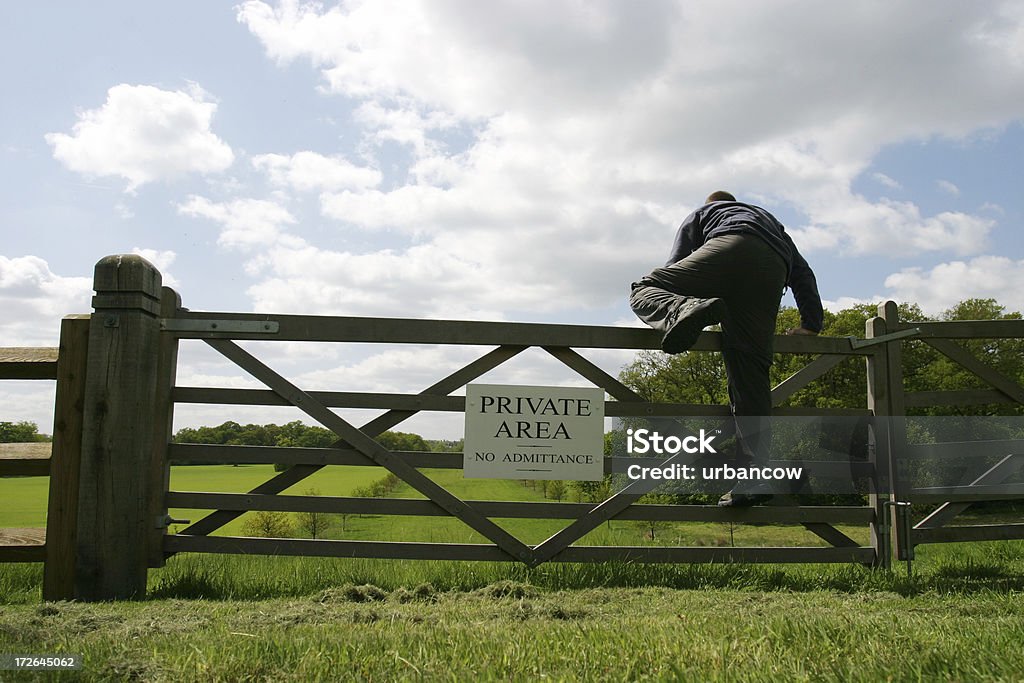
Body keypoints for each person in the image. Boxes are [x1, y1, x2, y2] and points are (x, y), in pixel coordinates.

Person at [629, 190, 823, 506]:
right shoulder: (772, 223)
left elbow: (678, 264)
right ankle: (755, 480)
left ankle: (682, 310)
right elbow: (803, 274)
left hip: (728, 247)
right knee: (751, 379)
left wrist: (682, 301)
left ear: (713, 204)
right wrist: (811, 324)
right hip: (771, 267)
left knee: (646, 288)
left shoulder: (704, 212)